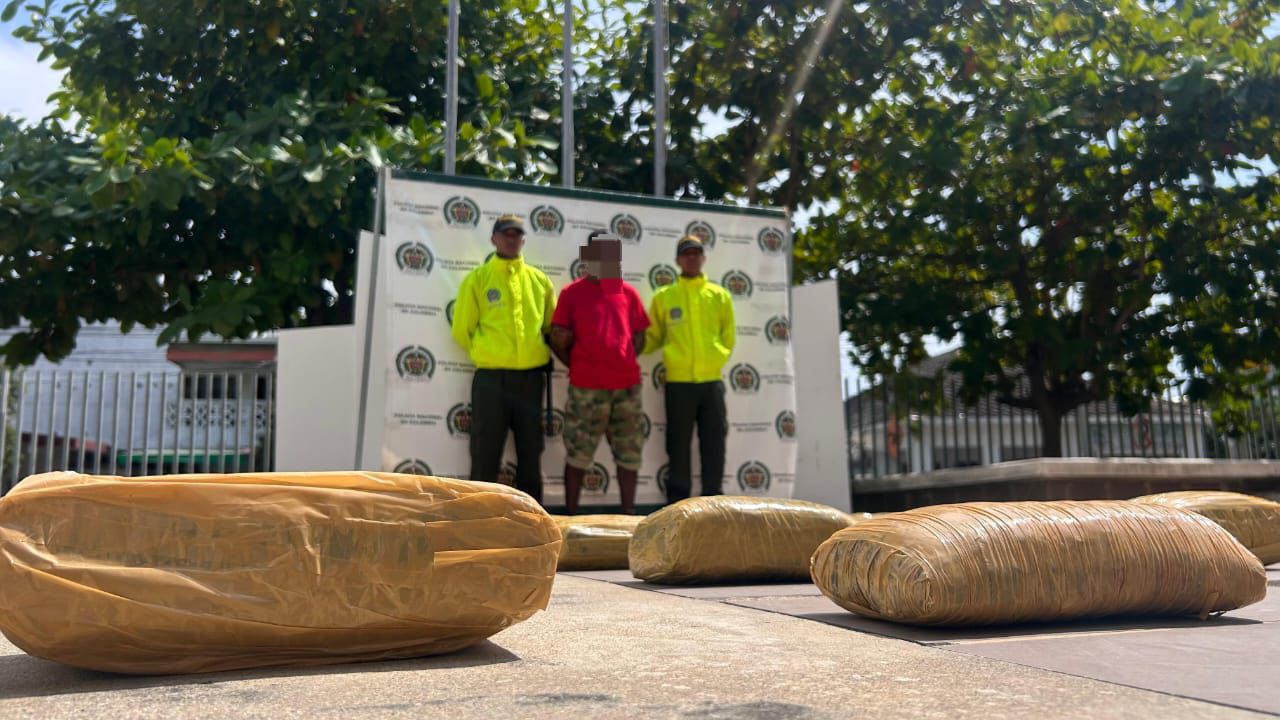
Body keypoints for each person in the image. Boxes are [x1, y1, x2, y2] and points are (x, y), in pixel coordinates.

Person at [451, 214, 556, 502]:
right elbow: (463, 329)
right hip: (491, 379)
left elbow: (549, 327)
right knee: (485, 451)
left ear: (523, 240)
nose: (511, 239)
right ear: (494, 239)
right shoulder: (478, 278)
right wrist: (487, 352)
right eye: (505, 234)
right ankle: (479, 515)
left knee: (531, 452)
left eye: (516, 234)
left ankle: (532, 519)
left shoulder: (540, 280)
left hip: (531, 379)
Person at [549, 230, 650, 514]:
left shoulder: (627, 293)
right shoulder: (572, 293)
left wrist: (620, 360)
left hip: (626, 388)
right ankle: (569, 517)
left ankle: (629, 516)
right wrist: (580, 365)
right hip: (586, 389)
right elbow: (557, 336)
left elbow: (640, 337)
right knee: (578, 454)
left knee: (629, 455)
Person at [643, 235, 735, 503]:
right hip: (679, 383)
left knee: (714, 442)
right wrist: (624, 344)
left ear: (703, 258)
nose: (692, 258)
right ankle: (678, 502)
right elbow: (652, 337)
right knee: (678, 444)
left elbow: (728, 337)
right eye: (686, 254)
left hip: (711, 381)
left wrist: (716, 359)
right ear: (677, 260)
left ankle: (713, 500)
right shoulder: (664, 297)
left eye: (696, 253)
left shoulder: (719, 296)